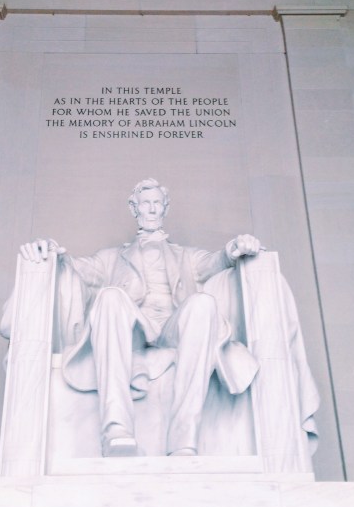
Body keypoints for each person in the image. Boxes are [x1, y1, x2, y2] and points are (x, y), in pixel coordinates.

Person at [20, 178, 263, 458]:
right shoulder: (111, 258)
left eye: (156, 203)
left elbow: (218, 260)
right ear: (134, 208)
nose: (151, 209)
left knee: (203, 304)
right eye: (145, 203)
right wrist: (50, 251)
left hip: (173, 328)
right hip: (134, 328)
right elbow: (75, 267)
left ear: (165, 208)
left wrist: (236, 246)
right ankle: (116, 430)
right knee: (110, 297)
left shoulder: (187, 256)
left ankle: (184, 439)